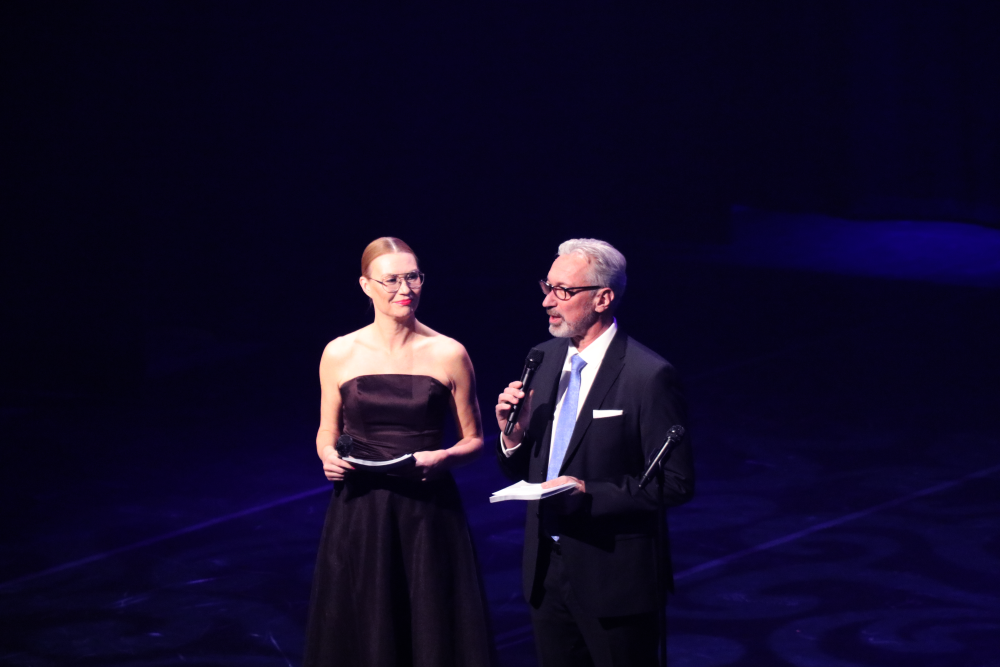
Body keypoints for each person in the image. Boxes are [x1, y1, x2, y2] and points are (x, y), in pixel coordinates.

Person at [495, 238, 694, 667]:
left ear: (603, 298)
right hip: (546, 570)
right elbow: (528, 466)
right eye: (547, 286)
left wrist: (588, 491)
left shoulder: (648, 375)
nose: (548, 301)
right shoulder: (542, 358)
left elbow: (676, 483)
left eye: (563, 291)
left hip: (613, 576)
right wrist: (514, 436)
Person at [304, 237, 493, 667]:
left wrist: (443, 458)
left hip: (427, 510)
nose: (404, 289)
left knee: (430, 622)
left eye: (413, 277)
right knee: (364, 620)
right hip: (361, 507)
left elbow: (474, 440)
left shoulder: (449, 352)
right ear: (366, 285)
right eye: (391, 280)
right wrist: (327, 455)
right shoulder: (339, 352)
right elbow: (327, 430)